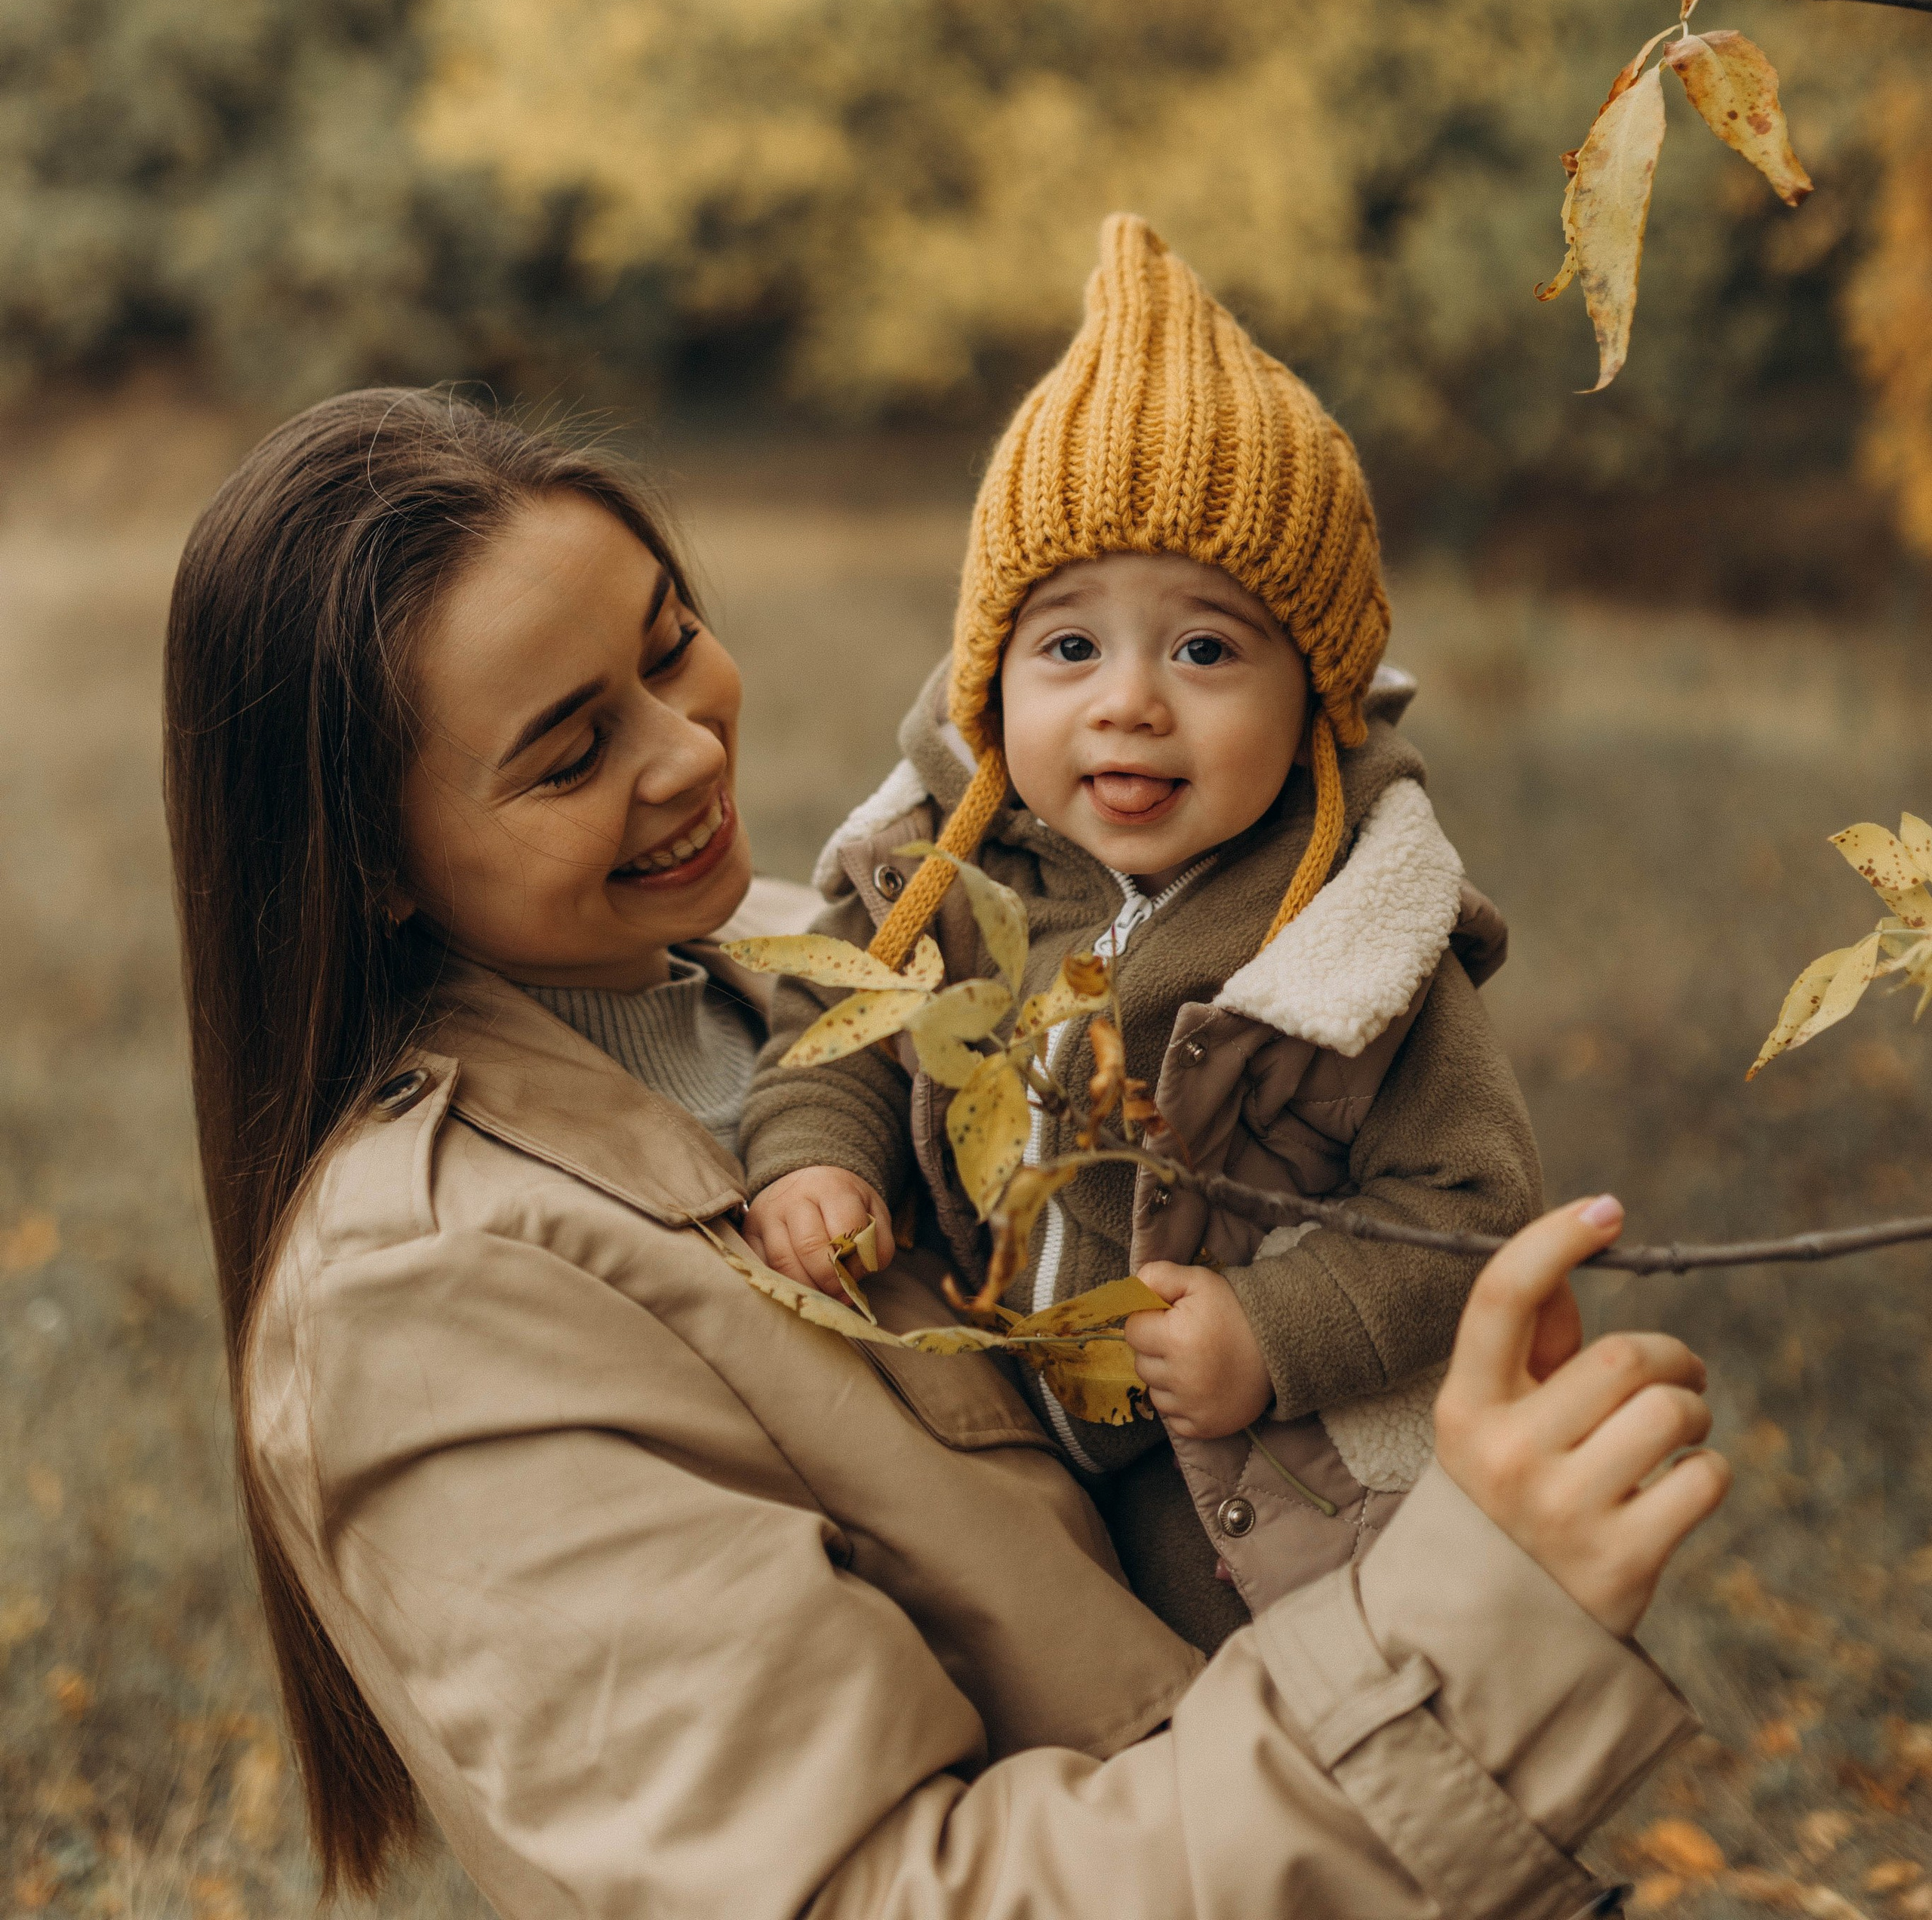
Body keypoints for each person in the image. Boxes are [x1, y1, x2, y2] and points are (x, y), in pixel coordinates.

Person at [167, 385, 1727, 1920]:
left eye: (667, 645)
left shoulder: (852, 965)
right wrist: (1471, 1628)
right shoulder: (432, 1296)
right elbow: (856, 1893)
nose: (686, 755)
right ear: (367, 863)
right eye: (570, 755)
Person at [742, 214, 1537, 1649]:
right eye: (1067, 646)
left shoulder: (1350, 942)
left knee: (1293, 1749)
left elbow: (1471, 1214)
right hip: (989, 1410)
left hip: (1248, 1481)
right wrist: (816, 1154)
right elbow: (845, 1032)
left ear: (1319, 699)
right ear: (989, 679)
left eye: (1206, 649)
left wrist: (1270, 1336)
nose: (1127, 701)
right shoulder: (940, 867)